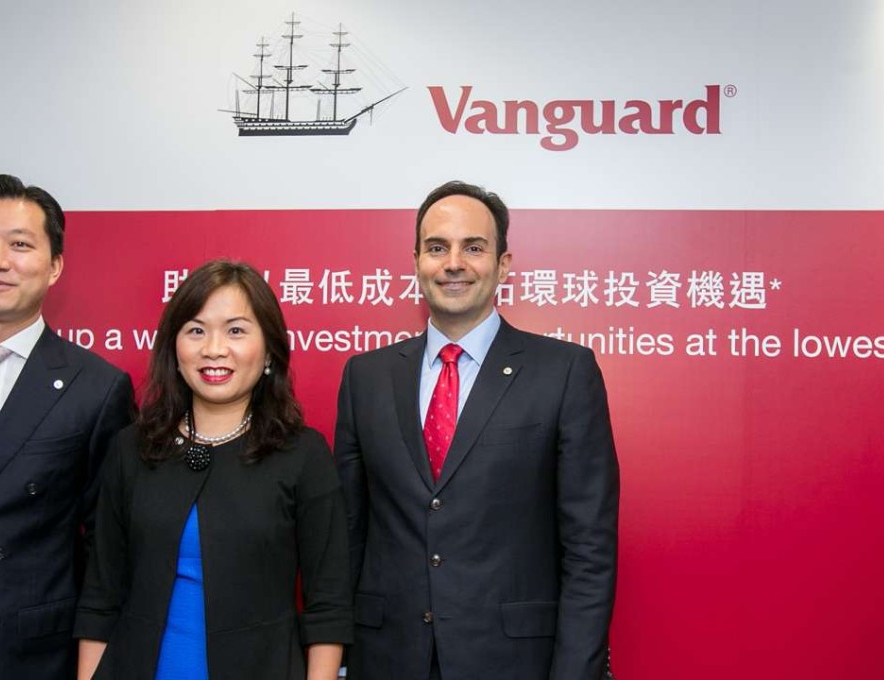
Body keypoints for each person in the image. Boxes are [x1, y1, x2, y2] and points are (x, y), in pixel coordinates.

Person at [334, 181, 620, 680]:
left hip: (514, 662)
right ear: (417, 260)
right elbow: (347, 537)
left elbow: (590, 550)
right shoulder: (366, 377)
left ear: (504, 264)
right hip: (387, 659)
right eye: (437, 247)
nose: (453, 263)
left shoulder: (564, 373)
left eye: (474, 247)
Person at [75, 259, 352, 680]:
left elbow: (328, 607)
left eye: (236, 330)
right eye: (196, 330)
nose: (213, 349)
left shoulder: (303, 454)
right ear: (175, 347)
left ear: (269, 352)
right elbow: (100, 597)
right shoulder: (131, 449)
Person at [0, 174, 135, 679]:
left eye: (19, 244)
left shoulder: (96, 387)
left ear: (54, 265)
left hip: (28, 656)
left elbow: (107, 548)